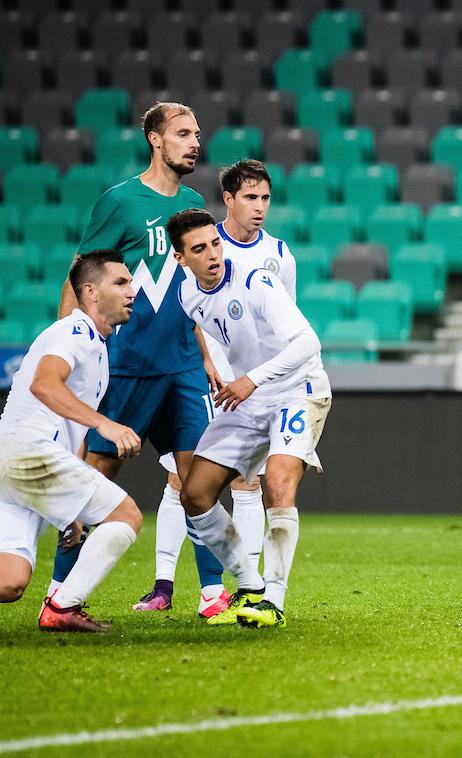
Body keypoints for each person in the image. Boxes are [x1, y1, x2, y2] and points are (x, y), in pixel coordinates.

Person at [51, 101, 232, 619]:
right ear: (156, 140)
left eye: (197, 133)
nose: (194, 142)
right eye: (182, 134)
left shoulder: (195, 202)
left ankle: (212, 593)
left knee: (200, 480)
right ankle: (62, 596)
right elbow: (80, 273)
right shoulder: (121, 202)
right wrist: (71, 346)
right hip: (126, 367)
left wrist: (208, 356)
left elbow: (193, 292)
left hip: (182, 370)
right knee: (95, 484)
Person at [134, 159, 298, 612]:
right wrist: (205, 361)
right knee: (180, 479)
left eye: (265, 197)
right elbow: (190, 313)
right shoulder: (203, 242)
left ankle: (242, 589)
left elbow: (287, 325)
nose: (260, 207)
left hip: (258, 388)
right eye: (250, 197)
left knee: (248, 485)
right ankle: (164, 585)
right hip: (211, 381)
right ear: (228, 200)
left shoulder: (279, 255)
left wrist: (263, 379)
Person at [168, 209, 331, 628]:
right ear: (181, 258)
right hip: (246, 400)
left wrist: (250, 380)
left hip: (297, 389)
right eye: (199, 249)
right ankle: (250, 585)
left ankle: (272, 602)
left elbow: (308, 341)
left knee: (277, 482)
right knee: (196, 494)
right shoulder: (188, 294)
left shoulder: (256, 281)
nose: (212, 254)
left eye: (215, 243)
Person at [0, 251, 142, 632]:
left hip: (13, 459)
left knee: (10, 581)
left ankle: (60, 606)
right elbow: (44, 384)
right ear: (91, 292)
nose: (133, 290)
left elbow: (70, 429)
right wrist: (106, 425)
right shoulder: (74, 332)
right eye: (121, 283)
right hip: (29, 451)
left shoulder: (95, 345)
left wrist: (72, 509)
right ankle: (62, 607)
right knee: (126, 515)